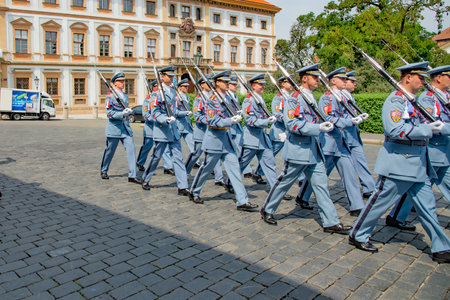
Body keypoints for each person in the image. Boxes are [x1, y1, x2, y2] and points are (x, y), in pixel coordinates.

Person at [349, 62, 450, 264]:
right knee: (378, 204)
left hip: (419, 165)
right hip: (398, 165)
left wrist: (430, 127)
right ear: (408, 77)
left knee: (428, 208)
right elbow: (395, 130)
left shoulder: (413, 101)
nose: (423, 82)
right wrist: (429, 129)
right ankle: (357, 234)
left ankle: (441, 247)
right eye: (420, 78)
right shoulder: (395, 101)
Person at [260, 64, 352, 234]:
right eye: (314, 77)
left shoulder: (309, 96)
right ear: (304, 78)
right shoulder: (294, 99)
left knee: (321, 186)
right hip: (298, 150)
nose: (318, 80)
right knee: (284, 183)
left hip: (313, 151)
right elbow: (292, 124)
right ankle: (267, 209)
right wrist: (318, 128)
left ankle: (330, 221)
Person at [385, 65, 450, 231]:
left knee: (421, 190)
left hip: (442, 152)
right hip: (434, 150)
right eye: (420, 78)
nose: (423, 82)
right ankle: (395, 217)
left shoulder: (444, 96)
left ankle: (397, 217)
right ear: (439, 77)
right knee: (414, 188)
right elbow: (429, 125)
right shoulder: (428, 98)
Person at [296, 67, 364, 216]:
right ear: (334, 81)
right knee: (318, 175)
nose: (346, 81)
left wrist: (354, 118)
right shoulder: (327, 97)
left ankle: (356, 206)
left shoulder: (342, 97)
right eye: (343, 79)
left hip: (341, 142)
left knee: (349, 173)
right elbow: (330, 119)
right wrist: (350, 122)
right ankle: (303, 196)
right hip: (328, 142)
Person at [189, 71, 258, 211]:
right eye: (225, 82)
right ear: (218, 83)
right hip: (214, 140)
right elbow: (212, 121)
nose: (228, 84)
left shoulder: (227, 99)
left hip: (226, 141)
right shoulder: (212, 101)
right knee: (206, 168)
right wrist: (230, 121)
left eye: (228, 82)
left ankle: (242, 201)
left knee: (234, 169)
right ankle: (194, 191)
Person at [141, 66, 190, 196]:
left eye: (173, 76)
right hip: (162, 130)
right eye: (169, 76)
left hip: (173, 130)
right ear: (162, 77)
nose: (171, 78)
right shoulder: (156, 93)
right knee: (156, 157)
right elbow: (155, 113)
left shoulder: (174, 92)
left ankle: (182, 186)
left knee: (178, 158)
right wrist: (165, 119)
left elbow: (174, 110)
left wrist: (183, 113)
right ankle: (146, 179)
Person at [100, 72, 141, 184]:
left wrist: (128, 112)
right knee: (110, 151)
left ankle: (132, 175)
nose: (123, 83)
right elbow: (109, 114)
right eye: (120, 81)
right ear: (114, 83)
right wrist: (122, 113)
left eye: (123, 81)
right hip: (114, 128)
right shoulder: (110, 96)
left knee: (131, 150)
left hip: (125, 128)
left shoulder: (125, 96)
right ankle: (104, 170)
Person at [239, 74, 278, 190]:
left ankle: (276, 189)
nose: (263, 87)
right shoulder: (249, 100)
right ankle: (231, 182)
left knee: (270, 163)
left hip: (262, 138)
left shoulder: (259, 98)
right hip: (251, 138)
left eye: (263, 84)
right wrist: (266, 122)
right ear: (254, 86)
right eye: (260, 85)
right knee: (242, 163)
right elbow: (250, 120)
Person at [184, 76, 225, 186]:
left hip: (212, 132)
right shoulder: (199, 98)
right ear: (202, 85)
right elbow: (197, 116)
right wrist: (208, 120)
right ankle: (185, 171)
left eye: (211, 82)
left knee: (215, 153)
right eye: (207, 83)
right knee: (196, 154)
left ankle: (219, 178)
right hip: (202, 131)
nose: (210, 84)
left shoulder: (214, 97)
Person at [342, 71, 375, 198]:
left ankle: (369, 187)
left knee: (361, 161)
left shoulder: (349, 96)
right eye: (352, 81)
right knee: (328, 167)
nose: (354, 84)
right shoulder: (339, 96)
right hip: (343, 135)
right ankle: (305, 191)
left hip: (353, 135)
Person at [227, 76, 253, 177]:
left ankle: (246, 170)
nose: (235, 86)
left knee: (240, 147)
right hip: (229, 125)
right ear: (228, 85)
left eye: (235, 84)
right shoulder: (226, 96)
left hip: (237, 126)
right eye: (233, 84)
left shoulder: (235, 96)